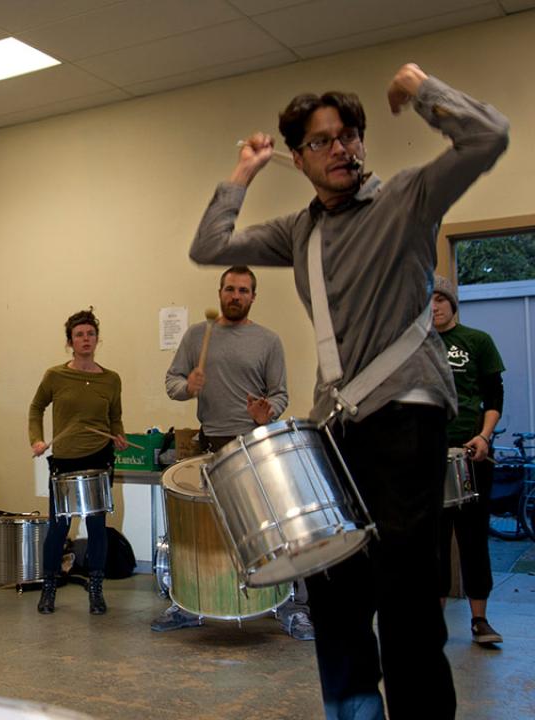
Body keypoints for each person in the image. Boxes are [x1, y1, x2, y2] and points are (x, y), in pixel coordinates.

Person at [190, 63, 508, 718]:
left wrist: (423, 89)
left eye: (348, 135)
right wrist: (245, 171)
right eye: (321, 140)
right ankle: (353, 707)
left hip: (409, 414)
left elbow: (489, 137)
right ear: (300, 158)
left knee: (406, 592)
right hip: (336, 425)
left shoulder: (408, 198)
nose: (339, 148)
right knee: (331, 584)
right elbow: (209, 245)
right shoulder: (299, 231)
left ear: (361, 141)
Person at [155, 267, 311, 639]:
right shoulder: (197, 336)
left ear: (253, 296)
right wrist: (188, 387)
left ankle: (290, 605)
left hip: (255, 446)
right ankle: (189, 603)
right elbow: (171, 384)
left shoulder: (268, 341)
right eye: (230, 289)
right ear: (220, 292)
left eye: (243, 290)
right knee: (200, 532)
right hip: (209, 445)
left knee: (272, 529)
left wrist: (267, 411)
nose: (235, 295)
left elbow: (280, 393)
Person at [29, 308, 128, 615]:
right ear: (70, 342)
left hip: (99, 458)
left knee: (97, 526)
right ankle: (48, 590)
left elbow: (115, 418)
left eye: (90, 334)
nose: (86, 339)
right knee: (58, 528)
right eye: (79, 335)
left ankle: (96, 591)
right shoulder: (56, 375)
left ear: (97, 338)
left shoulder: (111, 379)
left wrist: (119, 437)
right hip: (64, 460)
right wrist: (36, 439)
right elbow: (36, 409)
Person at [432, 275, 505, 645]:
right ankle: (435, 625)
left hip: (470, 454)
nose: (434, 306)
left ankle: (480, 621)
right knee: (434, 542)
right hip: (428, 458)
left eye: (440, 298)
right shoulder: (415, 347)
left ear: (452, 303)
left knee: (474, 538)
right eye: (427, 300)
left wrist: (483, 437)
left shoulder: (478, 342)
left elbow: (494, 397)